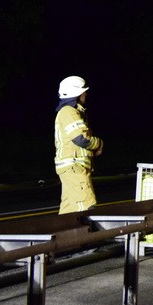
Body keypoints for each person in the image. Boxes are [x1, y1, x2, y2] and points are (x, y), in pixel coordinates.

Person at [54, 75, 104, 214]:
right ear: (75, 93)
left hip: (73, 167)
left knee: (69, 211)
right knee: (87, 207)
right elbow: (81, 139)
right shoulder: (68, 112)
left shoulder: (73, 112)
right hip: (74, 167)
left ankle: (64, 235)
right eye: (83, 91)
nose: (86, 94)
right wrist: (99, 144)